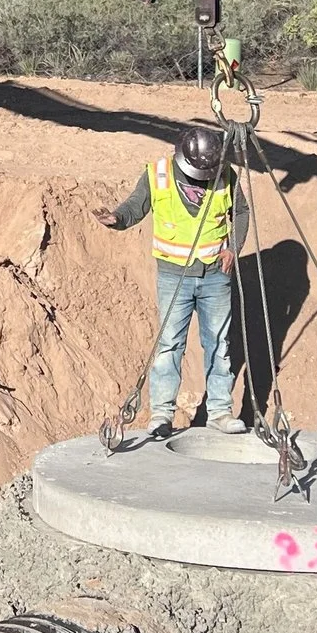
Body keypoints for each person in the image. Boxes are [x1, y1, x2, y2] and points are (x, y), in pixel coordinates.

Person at [96, 120, 250, 441]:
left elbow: (241, 212)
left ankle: (220, 411)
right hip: (173, 276)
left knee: (219, 345)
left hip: (214, 277)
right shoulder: (159, 174)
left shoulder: (224, 173)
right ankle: (162, 415)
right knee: (169, 346)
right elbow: (135, 206)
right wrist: (116, 219)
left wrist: (234, 248)